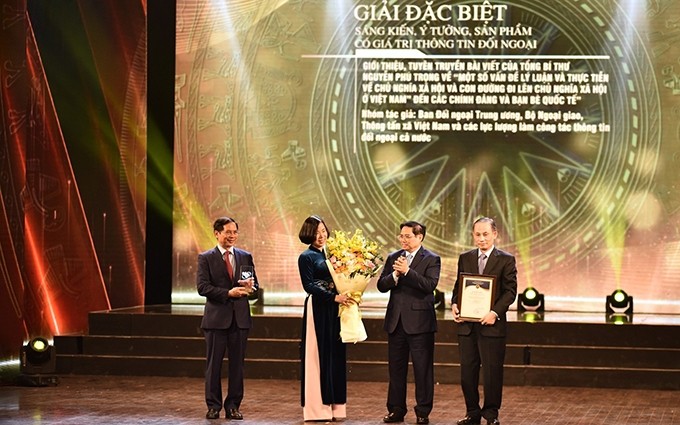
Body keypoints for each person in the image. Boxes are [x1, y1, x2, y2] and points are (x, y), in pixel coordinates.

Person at [451, 217, 518, 425]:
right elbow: (458, 287)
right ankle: (472, 413)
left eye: (485, 234)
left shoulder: (506, 259)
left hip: (492, 326)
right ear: (473, 235)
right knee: (467, 374)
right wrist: (454, 305)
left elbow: (510, 292)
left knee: (492, 373)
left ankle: (491, 415)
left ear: (495, 234)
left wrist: (495, 312)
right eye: (477, 234)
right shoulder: (465, 257)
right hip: (467, 326)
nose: (481, 238)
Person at [377, 220, 441, 425]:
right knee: (396, 369)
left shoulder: (431, 259)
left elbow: (429, 285)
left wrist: (407, 272)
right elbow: (381, 285)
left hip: (421, 324)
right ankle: (396, 409)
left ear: (419, 237)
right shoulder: (393, 258)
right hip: (396, 322)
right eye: (401, 236)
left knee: (422, 370)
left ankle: (423, 411)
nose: (403, 240)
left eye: (408, 236)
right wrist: (395, 274)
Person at [197, 217, 259, 420]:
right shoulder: (206, 257)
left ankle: (233, 406)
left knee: (237, 366)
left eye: (235, 232)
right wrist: (227, 293)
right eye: (228, 232)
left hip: (240, 320)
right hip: (216, 320)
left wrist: (251, 289)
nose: (232, 236)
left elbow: (255, 289)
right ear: (217, 233)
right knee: (213, 365)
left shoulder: (245, 256)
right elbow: (202, 287)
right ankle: (213, 406)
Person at [297, 215, 354, 421]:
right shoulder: (306, 257)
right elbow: (309, 285)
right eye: (316, 232)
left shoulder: (332, 254)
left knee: (335, 355)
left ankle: (336, 408)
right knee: (317, 355)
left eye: (323, 231)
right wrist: (334, 296)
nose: (321, 235)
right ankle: (317, 409)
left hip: (335, 308)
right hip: (319, 308)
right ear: (308, 234)